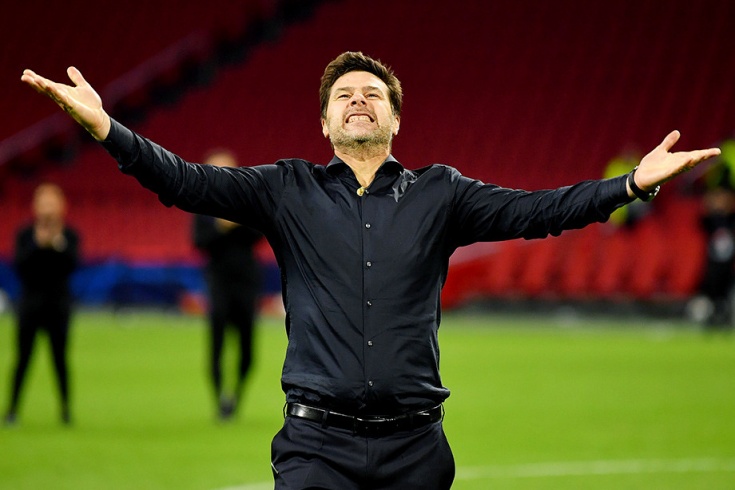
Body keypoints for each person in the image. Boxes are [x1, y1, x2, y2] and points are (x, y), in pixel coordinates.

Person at [21, 52, 720, 488]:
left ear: (395, 120)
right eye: (344, 94)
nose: (359, 98)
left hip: (415, 448)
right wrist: (107, 128)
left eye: (373, 93)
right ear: (326, 125)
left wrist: (631, 184)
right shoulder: (284, 189)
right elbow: (184, 182)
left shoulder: (442, 194)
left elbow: (539, 211)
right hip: (314, 447)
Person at [192, 149, 262, 420]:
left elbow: (260, 233)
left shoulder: (247, 203)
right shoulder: (202, 205)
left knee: (247, 349)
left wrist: (235, 221)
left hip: (246, 282)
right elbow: (199, 241)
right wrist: (221, 227)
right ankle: (220, 399)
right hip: (218, 282)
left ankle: (237, 395)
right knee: (217, 345)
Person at [4, 183, 80, 426]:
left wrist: (56, 244)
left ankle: (65, 411)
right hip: (30, 306)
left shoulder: (69, 236)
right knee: (23, 359)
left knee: (60, 360)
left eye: (52, 203)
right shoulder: (25, 235)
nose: (47, 209)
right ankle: (12, 410)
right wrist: (38, 245)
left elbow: (72, 265)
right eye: (43, 203)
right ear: (35, 207)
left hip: (58, 306)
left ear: (62, 206)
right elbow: (20, 266)